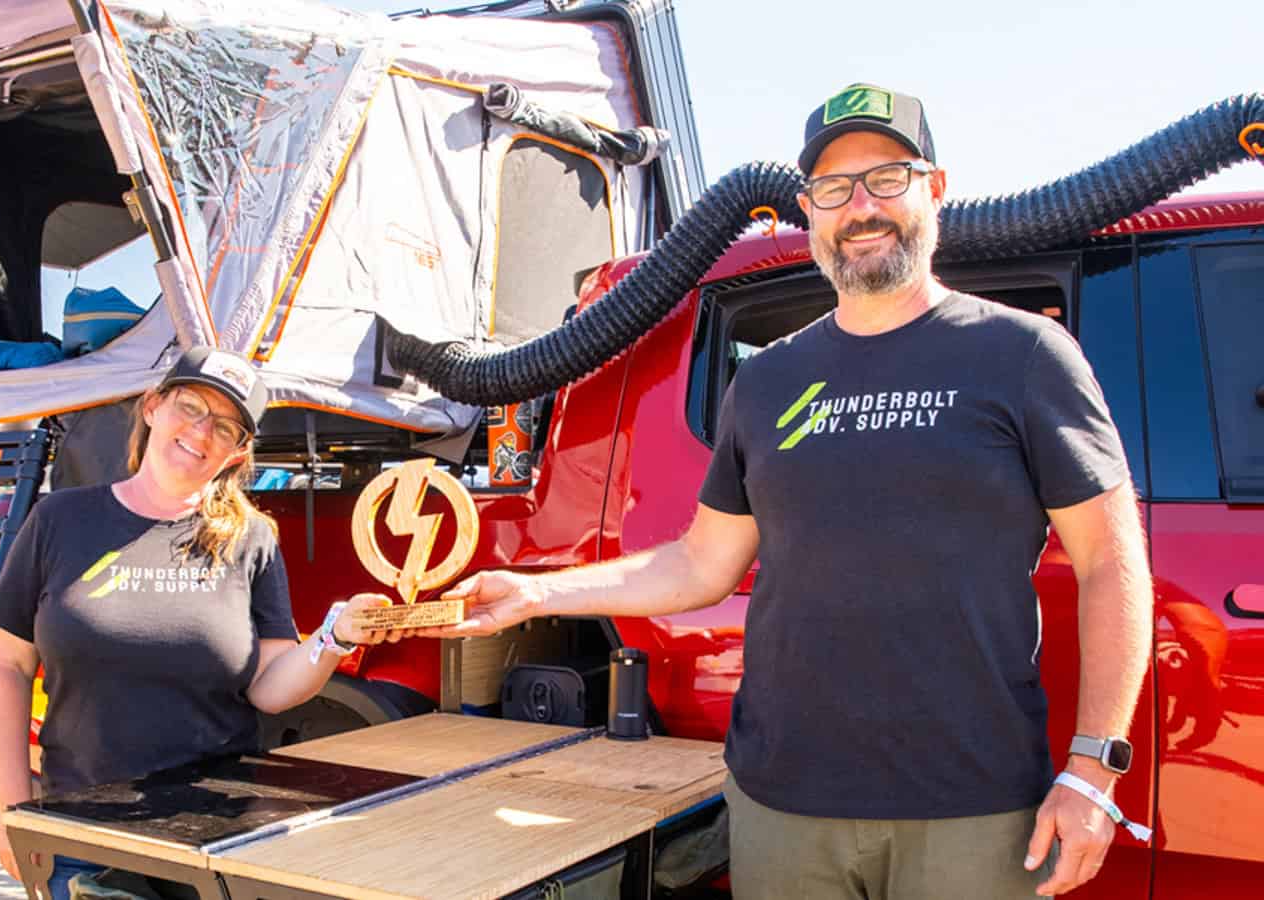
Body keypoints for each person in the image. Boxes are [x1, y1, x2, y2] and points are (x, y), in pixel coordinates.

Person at [421, 84, 1153, 899]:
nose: (861, 208)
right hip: (784, 803)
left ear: (934, 188)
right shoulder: (769, 381)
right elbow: (701, 563)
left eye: (886, 178)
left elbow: (1111, 566)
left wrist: (1093, 769)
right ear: (809, 211)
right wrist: (533, 591)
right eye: (834, 190)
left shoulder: (1023, 354)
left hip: (972, 808)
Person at [0, 347, 402, 898]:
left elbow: (271, 689)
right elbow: (4, 666)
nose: (201, 433)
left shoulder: (251, 539)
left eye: (224, 427)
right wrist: (12, 810)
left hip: (217, 840)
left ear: (237, 452)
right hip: (83, 837)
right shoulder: (59, 520)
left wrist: (334, 635)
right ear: (153, 407)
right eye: (190, 407)